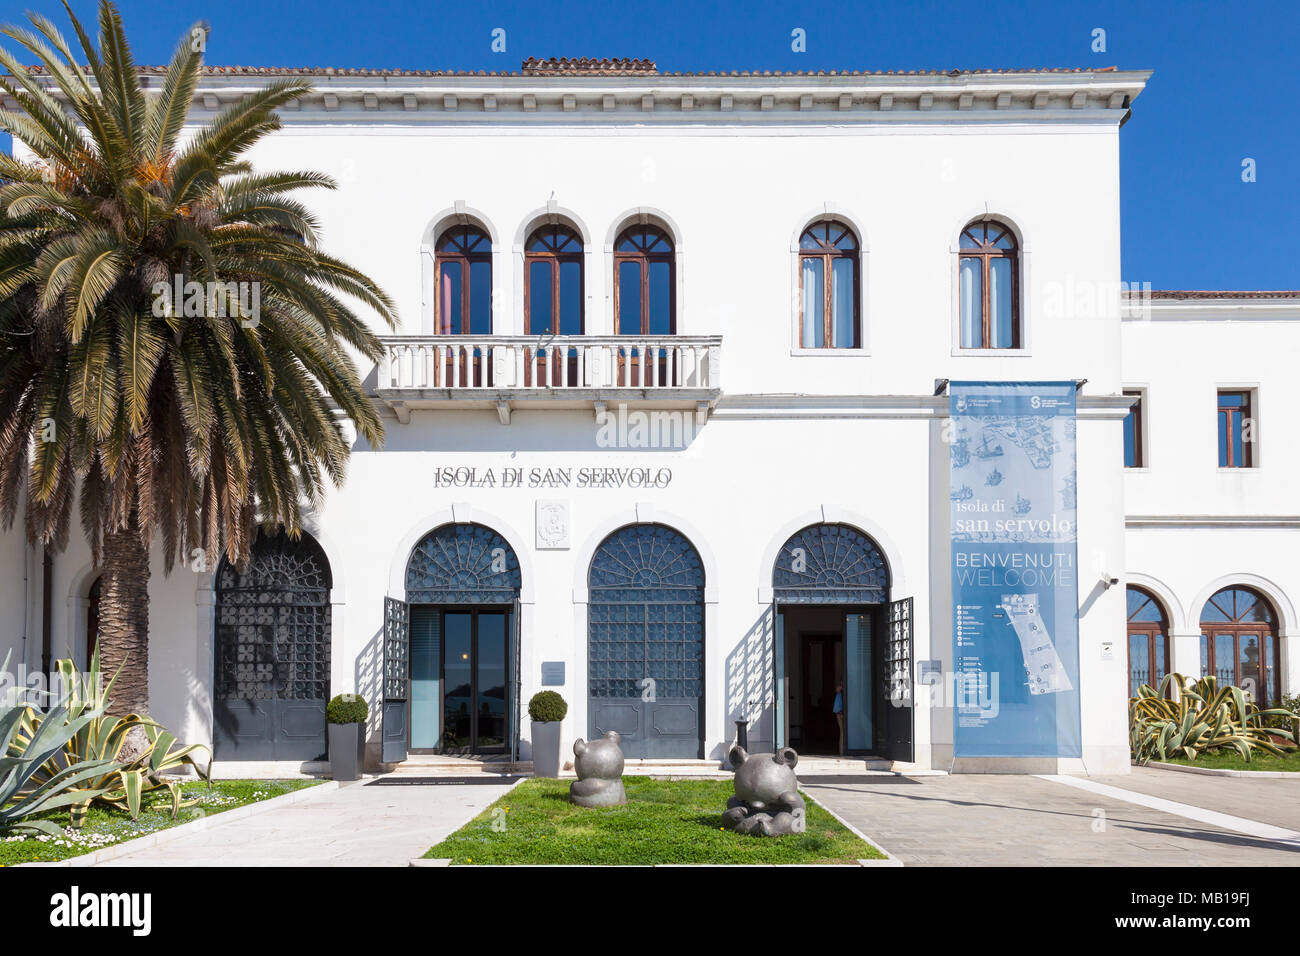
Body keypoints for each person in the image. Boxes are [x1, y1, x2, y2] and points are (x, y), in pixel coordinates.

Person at [832, 682, 845, 755]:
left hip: (840, 712)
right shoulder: (840, 693)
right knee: (843, 732)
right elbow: (837, 689)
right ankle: (842, 752)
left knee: (843, 732)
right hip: (840, 713)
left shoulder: (840, 693)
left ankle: (842, 751)